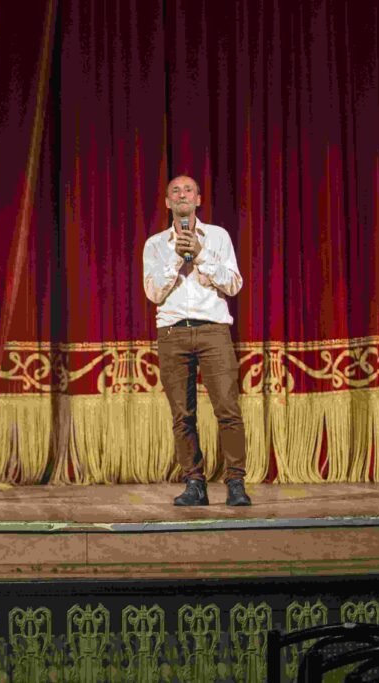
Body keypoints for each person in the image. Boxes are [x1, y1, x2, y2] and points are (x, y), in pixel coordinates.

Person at [142, 175, 251, 507]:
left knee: (228, 409)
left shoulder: (217, 237)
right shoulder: (155, 244)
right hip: (173, 333)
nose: (181, 195)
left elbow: (233, 285)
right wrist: (176, 257)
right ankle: (194, 483)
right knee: (182, 414)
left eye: (188, 190)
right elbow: (153, 293)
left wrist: (201, 254)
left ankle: (235, 482)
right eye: (174, 191)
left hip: (213, 330)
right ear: (167, 202)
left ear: (198, 199)